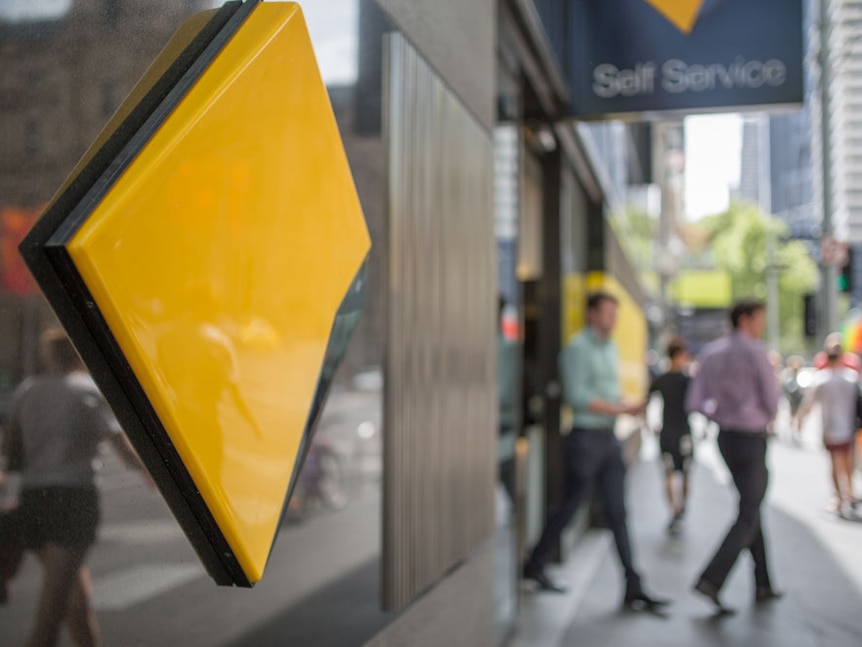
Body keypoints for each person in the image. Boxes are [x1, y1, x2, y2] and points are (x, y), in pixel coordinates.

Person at [0, 328, 151, 647]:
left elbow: (13, 454)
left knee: (77, 603)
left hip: (34, 501)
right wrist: (152, 474)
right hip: (73, 501)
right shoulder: (89, 391)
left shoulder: (28, 390)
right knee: (51, 615)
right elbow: (123, 450)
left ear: (50, 356)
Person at [521, 291, 669, 611]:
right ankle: (534, 565)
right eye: (607, 313)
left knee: (618, 513)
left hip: (608, 438)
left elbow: (609, 392)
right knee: (568, 507)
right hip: (585, 437)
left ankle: (633, 585)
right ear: (592, 314)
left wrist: (628, 407)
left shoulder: (610, 348)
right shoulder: (577, 349)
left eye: (614, 313)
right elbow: (577, 397)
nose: (613, 319)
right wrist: (620, 411)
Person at [685, 299, 782, 614]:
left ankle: (763, 582)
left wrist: (722, 412)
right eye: (759, 319)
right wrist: (754, 414)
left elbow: (696, 402)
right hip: (751, 439)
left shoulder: (710, 354)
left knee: (751, 507)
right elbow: (771, 400)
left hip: (726, 439)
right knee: (748, 513)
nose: (761, 325)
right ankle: (711, 579)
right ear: (745, 319)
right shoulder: (756, 352)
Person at [797, 335, 860, 520]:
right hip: (843, 429)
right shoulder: (849, 378)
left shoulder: (825, 379)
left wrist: (801, 421)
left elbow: (808, 405)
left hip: (836, 429)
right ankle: (845, 496)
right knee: (846, 464)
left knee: (837, 464)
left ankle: (842, 497)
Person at [648, 336, 693, 535]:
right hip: (683, 433)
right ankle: (680, 510)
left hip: (667, 433)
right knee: (684, 474)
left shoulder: (661, 379)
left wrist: (650, 426)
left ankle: (674, 511)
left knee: (669, 474)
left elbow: (646, 403)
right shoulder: (687, 381)